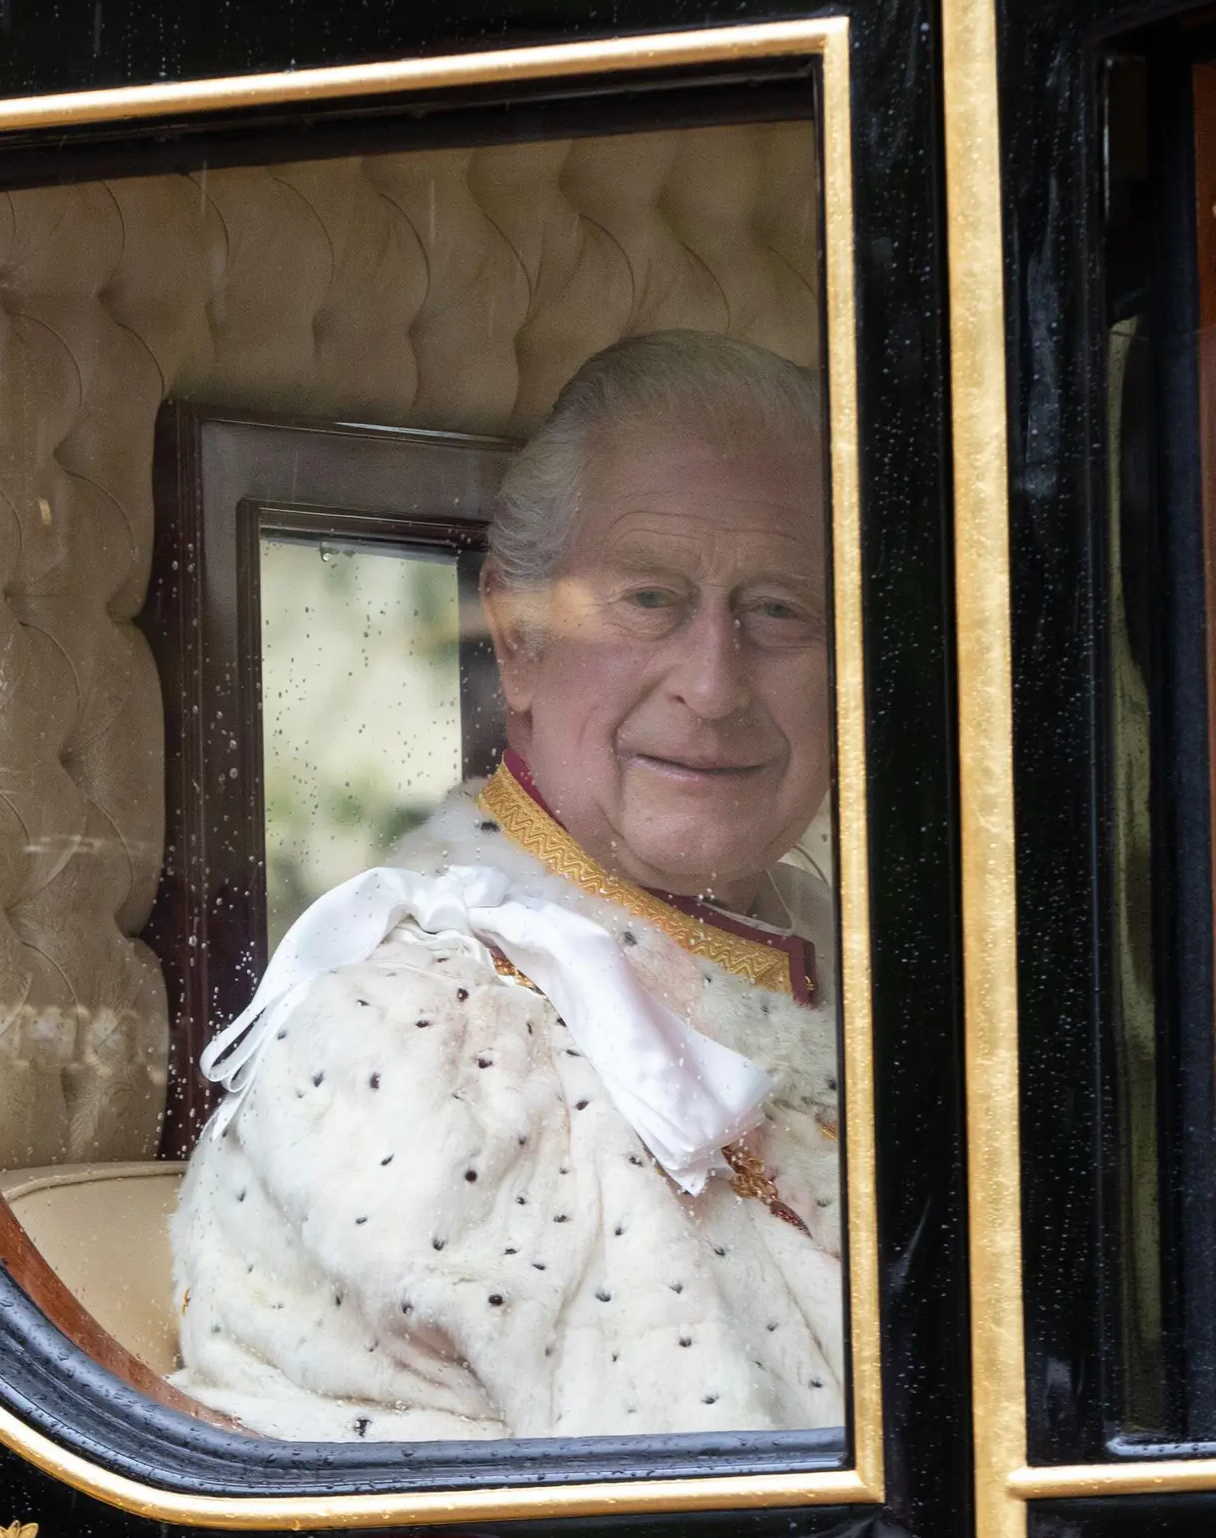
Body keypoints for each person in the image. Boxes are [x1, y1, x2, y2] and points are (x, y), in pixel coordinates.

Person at [169, 330, 847, 1441]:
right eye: (650, 599)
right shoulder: (409, 1047)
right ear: (521, 639)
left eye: (778, 609)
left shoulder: (898, 956)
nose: (716, 684)